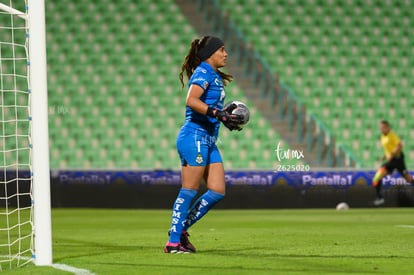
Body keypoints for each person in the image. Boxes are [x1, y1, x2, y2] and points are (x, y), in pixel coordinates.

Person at [164, 36, 243, 253]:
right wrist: (217, 112)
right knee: (189, 189)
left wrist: (224, 118)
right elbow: (191, 100)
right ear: (210, 53)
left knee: (217, 191)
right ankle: (173, 243)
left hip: (208, 139)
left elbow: (209, 107)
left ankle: (179, 229)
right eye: (222, 50)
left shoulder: (214, 75)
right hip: (194, 136)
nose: (226, 54)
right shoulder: (203, 72)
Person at [372, 120, 414, 206]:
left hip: (398, 160)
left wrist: (391, 154)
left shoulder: (392, 135)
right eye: (381, 127)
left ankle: (379, 198)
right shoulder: (382, 136)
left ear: (388, 127)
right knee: (376, 178)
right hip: (390, 161)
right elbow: (388, 149)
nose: (382, 129)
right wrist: (384, 156)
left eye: (383, 127)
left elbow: (399, 146)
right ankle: (379, 198)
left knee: (408, 179)